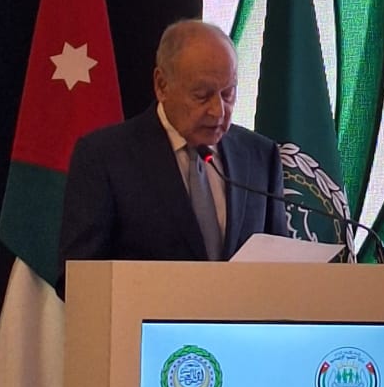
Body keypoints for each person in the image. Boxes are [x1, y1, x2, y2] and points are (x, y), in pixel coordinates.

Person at [59, 19, 288, 281]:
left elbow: (280, 271)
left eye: (228, 94)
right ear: (162, 85)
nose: (218, 111)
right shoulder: (105, 157)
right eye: (202, 95)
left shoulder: (260, 156)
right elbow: (77, 279)